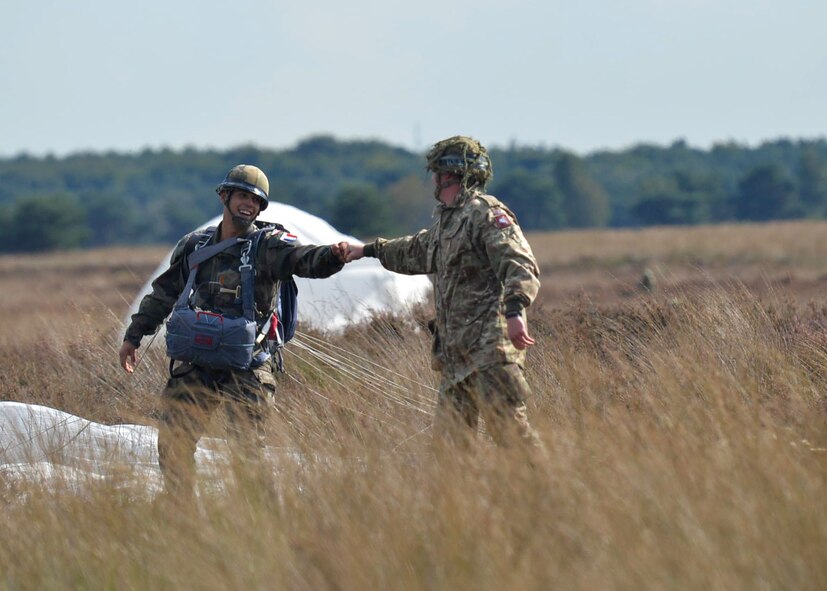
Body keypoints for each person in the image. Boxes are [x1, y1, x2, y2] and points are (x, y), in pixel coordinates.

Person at [119, 164, 349, 499]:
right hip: (197, 363)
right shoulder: (194, 245)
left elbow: (301, 259)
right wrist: (133, 336)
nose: (249, 204)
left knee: (247, 455)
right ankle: (181, 512)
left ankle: (260, 523)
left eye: (256, 200)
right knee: (173, 442)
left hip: (249, 366)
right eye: (242, 195)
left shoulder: (268, 245)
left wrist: (332, 256)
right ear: (224, 196)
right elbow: (165, 292)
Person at [345, 136, 544, 453]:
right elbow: (414, 250)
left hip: (490, 351)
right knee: (449, 450)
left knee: (509, 431)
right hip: (456, 358)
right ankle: (460, 503)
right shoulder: (447, 223)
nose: (435, 182)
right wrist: (367, 250)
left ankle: (546, 492)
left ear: (452, 175)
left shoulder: (486, 214)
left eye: (438, 174)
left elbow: (520, 264)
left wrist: (516, 311)